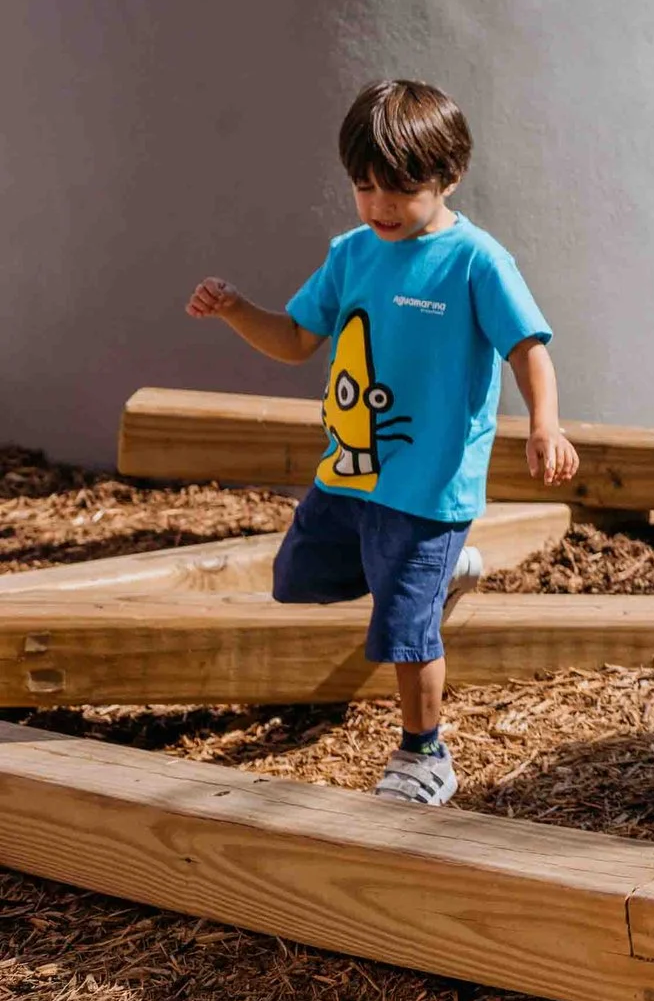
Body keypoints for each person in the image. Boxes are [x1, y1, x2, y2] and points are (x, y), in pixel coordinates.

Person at [187, 79, 579, 806]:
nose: (379, 206)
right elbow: (297, 337)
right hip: (348, 473)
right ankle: (439, 577)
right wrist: (237, 309)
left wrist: (545, 424)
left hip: (427, 487)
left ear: (448, 176)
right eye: (364, 187)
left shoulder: (477, 261)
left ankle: (425, 756)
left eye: (399, 190)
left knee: (402, 628)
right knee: (297, 578)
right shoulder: (352, 254)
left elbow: (528, 349)